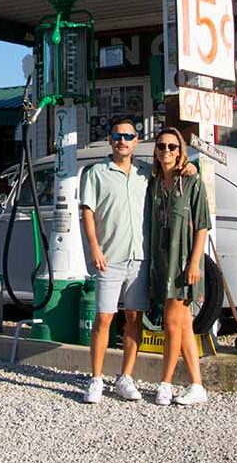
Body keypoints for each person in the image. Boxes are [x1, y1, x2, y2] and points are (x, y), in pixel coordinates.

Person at [78, 116, 152, 404]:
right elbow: (87, 211)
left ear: (136, 141)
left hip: (140, 257)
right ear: (110, 139)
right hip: (109, 256)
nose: (123, 140)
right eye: (117, 136)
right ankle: (96, 378)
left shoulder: (146, 173)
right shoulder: (95, 172)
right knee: (104, 317)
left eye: (128, 136)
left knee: (134, 317)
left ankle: (126, 377)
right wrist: (94, 247)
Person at [147, 126, 212, 407]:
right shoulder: (153, 181)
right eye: (161, 146)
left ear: (181, 150)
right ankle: (197, 385)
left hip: (184, 260)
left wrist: (195, 261)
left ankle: (165, 382)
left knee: (172, 324)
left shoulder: (191, 181)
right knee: (183, 325)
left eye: (172, 147)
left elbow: (202, 225)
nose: (166, 151)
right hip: (161, 260)